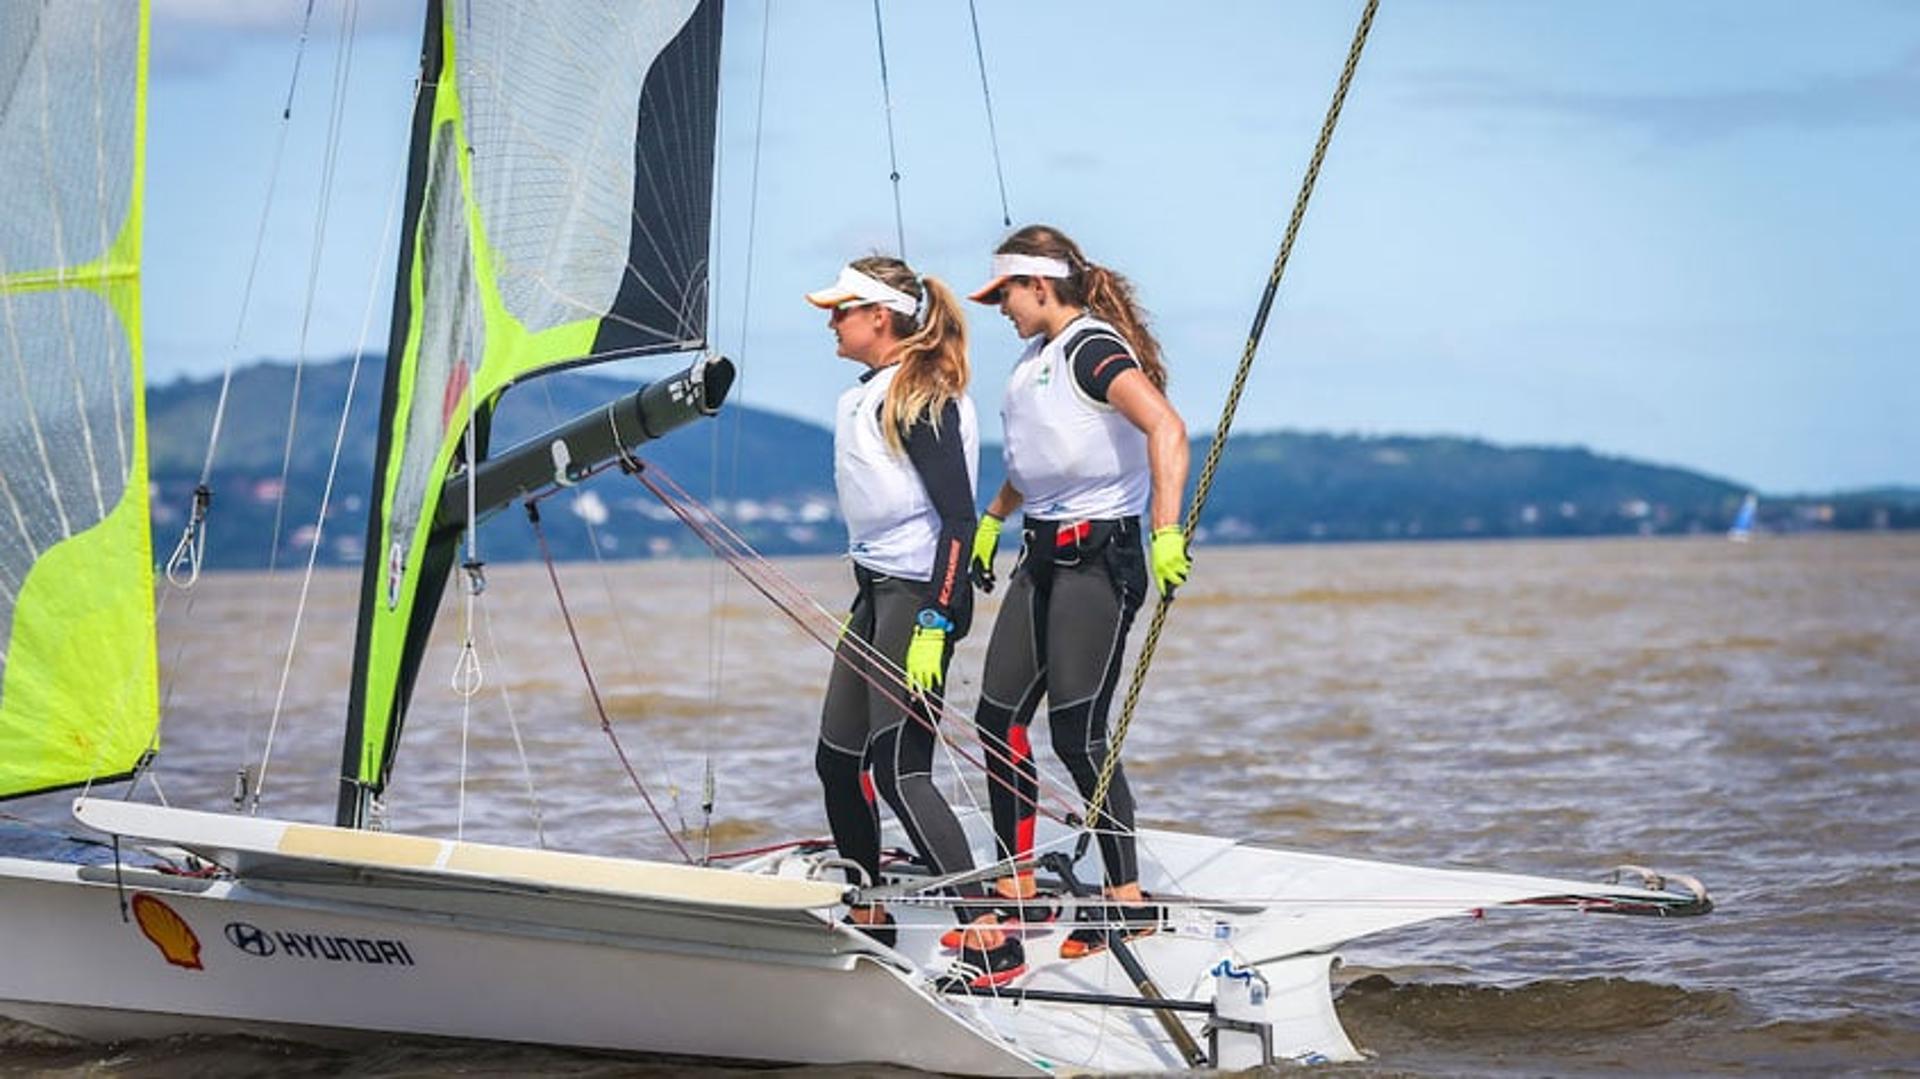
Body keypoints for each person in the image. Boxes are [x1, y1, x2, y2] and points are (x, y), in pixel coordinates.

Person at [963, 225, 1191, 960]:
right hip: (1040, 554)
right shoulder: (1035, 360)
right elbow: (1038, 460)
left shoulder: (1093, 348)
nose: (1000, 307)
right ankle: (1016, 889)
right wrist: (994, 517)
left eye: (1005, 294)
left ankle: (1127, 901)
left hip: (1102, 557)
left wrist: (1165, 531)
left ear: (1039, 284)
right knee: (995, 717)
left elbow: (1167, 428)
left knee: (1077, 734)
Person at [804, 255, 1025, 990]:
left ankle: (988, 931)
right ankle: (870, 910)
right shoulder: (865, 393)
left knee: (900, 769)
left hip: (919, 594)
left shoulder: (920, 394)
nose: (830, 321)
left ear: (880, 316)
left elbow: (960, 515)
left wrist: (938, 615)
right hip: (875, 593)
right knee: (838, 760)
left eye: (841, 310)